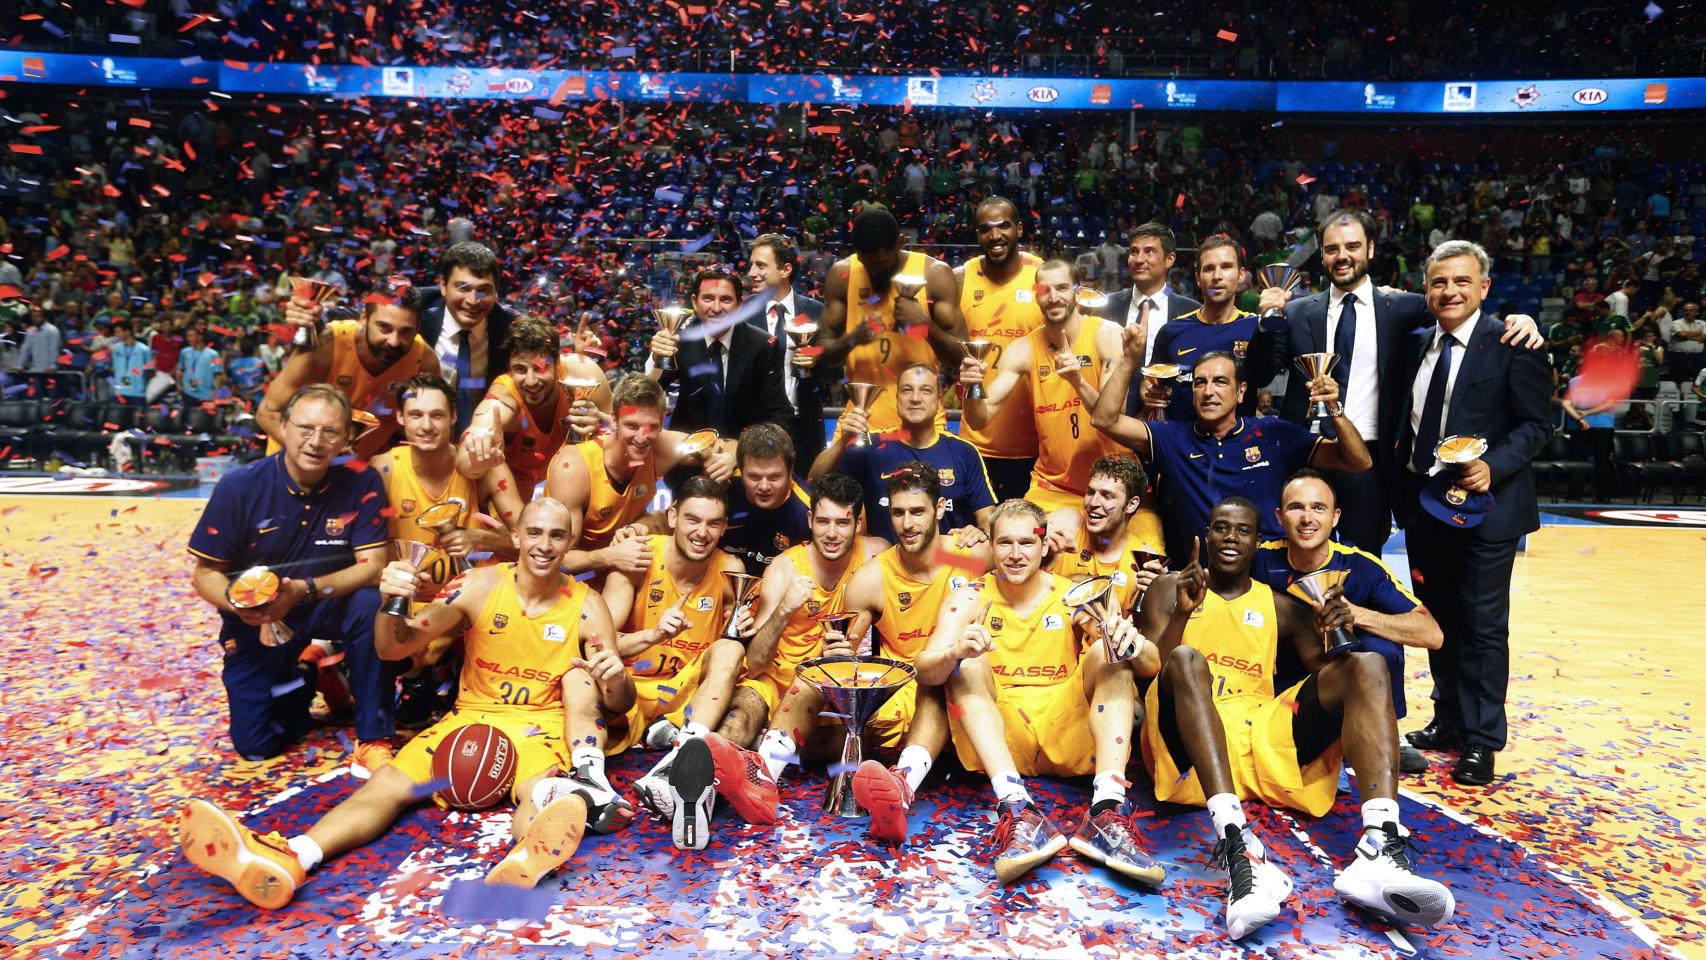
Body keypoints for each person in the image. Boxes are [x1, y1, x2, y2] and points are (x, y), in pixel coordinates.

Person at [176, 499, 635, 910]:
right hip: (471, 718)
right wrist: (393, 603)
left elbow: (616, 703)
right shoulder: (476, 585)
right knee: (388, 784)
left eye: (557, 535)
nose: (544, 545)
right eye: (535, 532)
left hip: (540, 724)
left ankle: (523, 858)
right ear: (516, 537)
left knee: (540, 794)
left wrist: (614, 681)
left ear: (570, 541)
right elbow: (394, 649)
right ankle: (297, 856)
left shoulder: (587, 606)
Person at [1139, 498, 1456, 938]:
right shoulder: (1168, 588)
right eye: (1220, 528)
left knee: (1367, 666)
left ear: (1258, 541)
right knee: (1188, 659)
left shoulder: (1282, 607)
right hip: (1188, 739)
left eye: (1243, 530)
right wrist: (1181, 612)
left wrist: (1336, 628)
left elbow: (1328, 677)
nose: (1231, 538)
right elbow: (1151, 668)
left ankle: (1379, 844)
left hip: (1258, 730)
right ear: (1205, 535)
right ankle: (1238, 848)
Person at [1246, 210, 1543, 553]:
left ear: (1370, 249)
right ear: (1322, 255)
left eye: (1353, 246)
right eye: (1332, 249)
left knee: (1365, 557)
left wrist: (1520, 320)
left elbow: (1458, 307)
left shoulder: (1401, 307)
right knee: (1292, 553)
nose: (1342, 256)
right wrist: (1267, 319)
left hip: (1370, 459)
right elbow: (1262, 373)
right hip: (1305, 452)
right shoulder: (1297, 312)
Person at [916, 499, 1162, 886]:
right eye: (1005, 544)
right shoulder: (969, 596)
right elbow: (925, 669)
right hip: (1001, 732)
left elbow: (1150, 665)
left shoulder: (1074, 595)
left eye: (1026, 543)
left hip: (1067, 731)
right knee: (964, 662)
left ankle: (1107, 809)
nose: (1015, 555)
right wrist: (955, 652)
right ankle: (1017, 809)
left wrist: (1133, 643)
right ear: (991, 547)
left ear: (1045, 544)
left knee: (1108, 651)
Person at [759, 463, 990, 844]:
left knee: (941, 671)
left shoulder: (970, 556)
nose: (907, 523)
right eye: (898, 513)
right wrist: (837, 652)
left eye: (917, 512)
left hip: (957, 689)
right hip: (896, 694)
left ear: (940, 508)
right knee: (820, 670)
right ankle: (763, 772)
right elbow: (849, 650)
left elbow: (1017, 572)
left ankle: (902, 785)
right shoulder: (871, 579)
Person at [1392, 241, 1552, 787]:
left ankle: (1483, 740)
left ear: (1484, 288)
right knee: (1440, 618)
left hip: (1489, 508)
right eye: (1439, 283)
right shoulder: (1415, 344)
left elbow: (1536, 424)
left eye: (1462, 281)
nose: (1449, 292)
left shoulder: (1512, 342)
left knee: (1483, 625)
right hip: (1425, 506)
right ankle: (1450, 718)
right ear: (1426, 290)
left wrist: (1494, 466)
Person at [185, 385, 393, 765]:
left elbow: (374, 565)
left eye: (330, 431)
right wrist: (239, 603)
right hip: (259, 615)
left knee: (371, 603)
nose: (316, 442)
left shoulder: (362, 481)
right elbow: (205, 574)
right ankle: (308, 673)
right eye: (305, 428)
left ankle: (374, 733)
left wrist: (303, 589)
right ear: (282, 426)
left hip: (323, 600)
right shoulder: (240, 485)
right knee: (256, 744)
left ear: (346, 436)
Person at [598, 476, 775, 850]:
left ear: (725, 527)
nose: (702, 532)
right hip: (634, 693)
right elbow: (600, 646)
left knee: (731, 651)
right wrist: (653, 635)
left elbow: (737, 649)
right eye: (693, 520)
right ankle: (670, 756)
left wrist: (742, 629)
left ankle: (678, 760)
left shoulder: (730, 569)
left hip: (689, 698)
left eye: (713, 523)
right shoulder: (639, 558)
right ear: (673, 516)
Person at [1092, 335, 1372, 558]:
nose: (1208, 391)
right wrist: (1129, 360)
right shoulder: (1171, 438)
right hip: (1207, 580)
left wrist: (1334, 408)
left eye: (1220, 382)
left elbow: (1357, 461)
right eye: (1200, 383)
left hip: (1273, 571)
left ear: (1241, 392)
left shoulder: (1273, 432)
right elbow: (1105, 419)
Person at [1253, 470, 1444, 775]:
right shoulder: (1259, 560)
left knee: (1381, 647)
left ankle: (1383, 728)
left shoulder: (1361, 565)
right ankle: (1330, 738)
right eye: (1296, 507)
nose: (1307, 518)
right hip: (1283, 687)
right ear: (1279, 517)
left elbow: (1432, 634)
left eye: (1318, 508)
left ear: (1336, 517)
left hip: (1343, 677)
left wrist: (1356, 614)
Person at [959, 260, 1142, 532]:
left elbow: (1112, 416)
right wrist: (972, 385)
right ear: (1036, 294)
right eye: (1045, 290)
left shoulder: (1106, 335)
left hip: (1113, 482)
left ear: (1078, 292)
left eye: (1062, 288)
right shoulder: (1022, 349)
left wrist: (1077, 381)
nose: (1053, 297)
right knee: (1016, 542)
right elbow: (979, 418)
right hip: (1052, 485)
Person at [543, 373, 734, 565]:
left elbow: (731, 446)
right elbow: (558, 558)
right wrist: (610, 556)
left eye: (652, 427)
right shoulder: (574, 469)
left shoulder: (662, 447)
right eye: (632, 426)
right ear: (614, 421)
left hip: (626, 562)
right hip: (575, 579)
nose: (642, 438)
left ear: (662, 423)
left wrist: (728, 459)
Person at [815, 206, 968, 437]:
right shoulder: (842, 275)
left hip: (923, 423)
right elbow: (821, 355)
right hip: (859, 420)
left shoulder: (934, 275)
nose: (874, 271)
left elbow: (963, 359)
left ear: (900, 242)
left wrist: (923, 326)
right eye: (866, 264)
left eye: (880, 263)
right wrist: (853, 338)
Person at [811, 363, 994, 541]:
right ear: (897, 398)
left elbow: (987, 518)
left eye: (925, 390)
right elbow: (814, 481)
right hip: (885, 563)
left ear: (939, 400)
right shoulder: (870, 446)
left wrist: (980, 532)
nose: (915, 398)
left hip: (948, 564)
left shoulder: (963, 451)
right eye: (907, 390)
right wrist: (843, 442)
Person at [261, 277, 439, 459]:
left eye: (406, 332)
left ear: (417, 329)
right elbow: (267, 412)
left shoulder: (424, 360)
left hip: (358, 472)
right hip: (294, 463)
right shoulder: (329, 344)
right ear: (364, 319)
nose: (394, 341)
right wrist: (317, 454)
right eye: (384, 328)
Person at [457, 317, 609, 503]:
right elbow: (465, 458)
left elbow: (618, 430)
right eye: (520, 369)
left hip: (567, 479)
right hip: (512, 488)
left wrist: (601, 424)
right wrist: (477, 459)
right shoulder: (503, 397)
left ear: (557, 362)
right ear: (509, 368)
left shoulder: (584, 373)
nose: (531, 381)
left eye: (540, 368)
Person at [955, 196, 1045, 502]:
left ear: (1019, 229)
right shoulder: (959, 279)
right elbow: (934, 341)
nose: (994, 235)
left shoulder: (1042, 277)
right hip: (976, 444)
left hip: (1035, 444)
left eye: (1003, 225)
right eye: (985, 229)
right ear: (977, 235)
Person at [647, 267, 792, 441]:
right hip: (687, 451)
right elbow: (647, 394)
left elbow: (779, 411)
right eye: (708, 298)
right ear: (694, 302)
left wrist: (742, 451)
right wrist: (657, 359)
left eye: (725, 299)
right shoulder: (679, 340)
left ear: (739, 304)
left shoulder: (762, 345)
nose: (716, 308)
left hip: (742, 452)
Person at [1093, 222, 1202, 417]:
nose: (1139, 259)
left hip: (1169, 425)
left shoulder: (1191, 312)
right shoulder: (1106, 308)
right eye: (1134, 252)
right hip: (1111, 422)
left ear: (1169, 259)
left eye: (1149, 252)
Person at [1148, 237, 1261, 421]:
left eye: (1226, 267)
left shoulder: (1255, 328)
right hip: (1180, 444)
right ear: (1198, 279)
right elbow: (1152, 385)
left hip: (1238, 445)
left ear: (1241, 274)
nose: (1217, 276)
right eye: (1209, 268)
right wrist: (1149, 392)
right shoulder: (1172, 331)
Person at [745, 233, 828, 471]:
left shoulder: (816, 311)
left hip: (805, 428)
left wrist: (817, 357)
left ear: (785, 269)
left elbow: (832, 367)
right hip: (755, 429)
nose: (752, 272)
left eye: (761, 265)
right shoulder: (742, 313)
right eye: (751, 264)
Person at [1044, 454, 1166, 613]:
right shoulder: (1067, 523)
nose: (1093, 503)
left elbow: (1145, 632)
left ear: (1131, 504)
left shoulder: (1144, 561)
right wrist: (1038, 535)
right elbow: (1012, 533)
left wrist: (1160, 596)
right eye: (1090, 492)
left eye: (1107, 496)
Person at [414, 242, 516, 433]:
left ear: (496, 293)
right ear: (443, 286)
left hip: (481, 439)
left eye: (484, 290)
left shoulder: (509, 328)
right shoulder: (416, 309)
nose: (472, 300)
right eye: (463, 288)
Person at [179, 326, 221, 420]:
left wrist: (216, 393)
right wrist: (179, 384)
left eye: (191, 336)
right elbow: (180, 369)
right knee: (187, 420)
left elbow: (218, 374)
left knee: (205, 420)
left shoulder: (214, 354)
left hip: (207, 393)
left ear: (200, 337)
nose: (188, 338)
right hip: (188, 392)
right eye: (187, 336)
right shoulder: (184, 352)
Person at [108, 321, 152, 405]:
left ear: (127, 332)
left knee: (137, 418)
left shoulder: (144, 350)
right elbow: (113, 368)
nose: (116, 335)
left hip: (138, 393)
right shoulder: (115, 349)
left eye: (118, 332)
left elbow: (150, 371)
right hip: (119, 392)